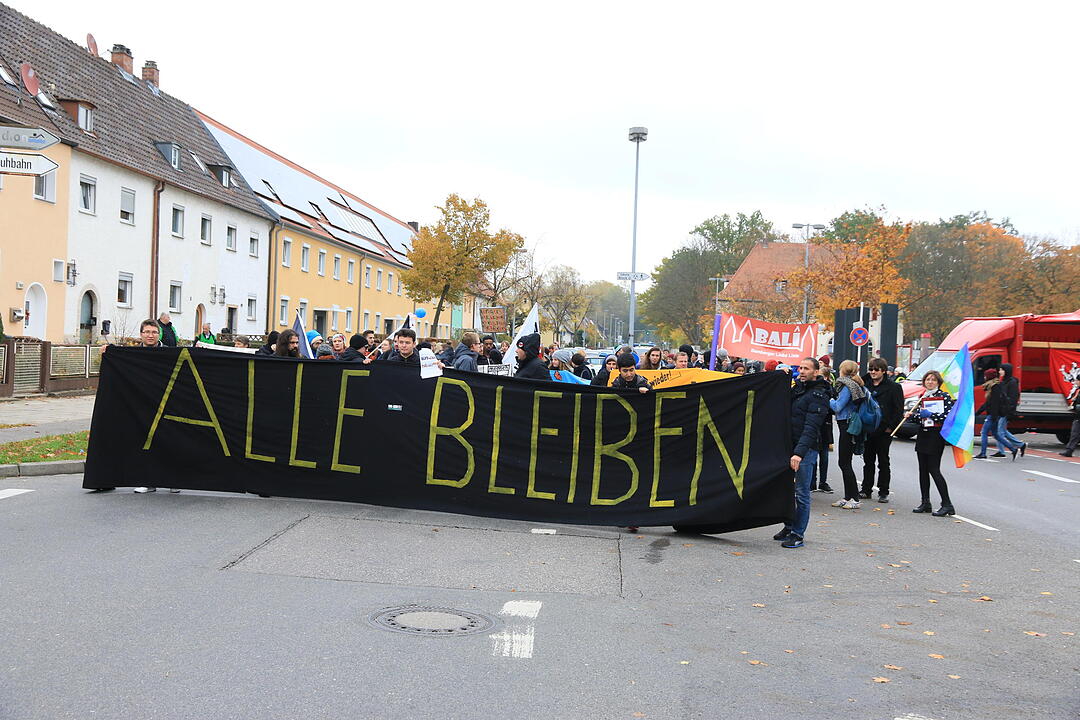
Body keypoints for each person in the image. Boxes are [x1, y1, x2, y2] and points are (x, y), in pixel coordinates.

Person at [774, 357, 831, 549]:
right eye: (800, 368)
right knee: (786, 490)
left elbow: (811, 428)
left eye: (807, 368)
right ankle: (789, 526)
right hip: (789, 446)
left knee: (802, 493)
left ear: (816, 372)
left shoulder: (819, 395)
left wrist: (798, 453)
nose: (802, 371)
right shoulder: (798, 388)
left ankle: (798, 533)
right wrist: (780, 378)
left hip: (805, 450)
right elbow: (779, 401)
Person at [912, 370, 956, 516]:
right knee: (922, 470)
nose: (930, 382)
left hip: (935, 436)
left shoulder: (944, 397)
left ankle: (947, 504)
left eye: (933, 380)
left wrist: (931, 415)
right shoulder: (923, 396)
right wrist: (914, 415)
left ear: (938, 382)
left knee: (934, 469)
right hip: (923, 434)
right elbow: (919, 418)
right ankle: (925, 502)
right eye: (927, 379)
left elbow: (947, 416)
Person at [860, 357, 904, 502]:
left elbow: (898, 410)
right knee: (868, 460)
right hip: (868, 428)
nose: (872, 372)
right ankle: (866, 489)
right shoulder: (866, 385)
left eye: (876, 369)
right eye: (870, 369)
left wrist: (890, 428)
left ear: (884, 371)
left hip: (884, 430)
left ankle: (883, 491)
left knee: (883, 461)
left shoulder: (894, 387)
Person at [829, 359, 865, 509]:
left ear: (843, 370)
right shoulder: (853, 383)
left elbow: (838, 407)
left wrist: (828, 399)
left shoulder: (847, 386)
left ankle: (854, 498)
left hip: (847, 425)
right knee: (844, 462)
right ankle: (848, 496)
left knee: (844, 462)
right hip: (848, 424)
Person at [974, 368, 1013, 458]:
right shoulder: (992, 386)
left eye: (985, 375)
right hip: (994, 414)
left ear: (988, 377)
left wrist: (994, 416)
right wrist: (978, 412)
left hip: (993, 415)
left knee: (984, 432)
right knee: (996, 434)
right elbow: (988, 402)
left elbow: (995, 403)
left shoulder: (995, 387)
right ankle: (1013, 449)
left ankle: (983, 453)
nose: (984, 377)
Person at [997, 364, 1027, 459]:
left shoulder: (1012, 383)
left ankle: (1002, 451)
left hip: (1006, 410)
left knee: (999, 431)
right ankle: (1021, 444)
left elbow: (1013, 398)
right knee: (1003, 431)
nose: (999, 372)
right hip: (1002, 409)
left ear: (1006, 371)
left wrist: (1008, 410)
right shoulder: (1005, 381)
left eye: (1001, 370)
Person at [1060, 377, 1080, 457]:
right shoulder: (1078, 390)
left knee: (1075, 433)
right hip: (1078, 416)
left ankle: (1069, 450)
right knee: (1074, 433)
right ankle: (1069, 450)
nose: (1075, 382)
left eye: (1077, 380)